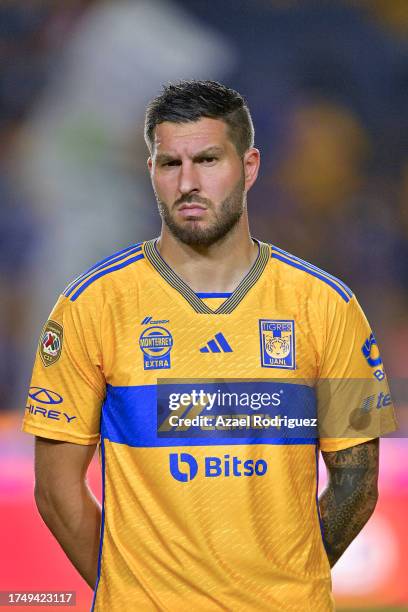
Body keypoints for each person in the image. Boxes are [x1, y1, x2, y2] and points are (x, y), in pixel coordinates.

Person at [22, 80, 397, 611]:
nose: (189, 182)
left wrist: (284, 584)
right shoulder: (91, 306)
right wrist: (130, 590)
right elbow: (57, 492)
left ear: (249, 166)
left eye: (208, 159)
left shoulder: (328, 305)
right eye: (169, 164)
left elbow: (357, 485)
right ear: (150, 171)